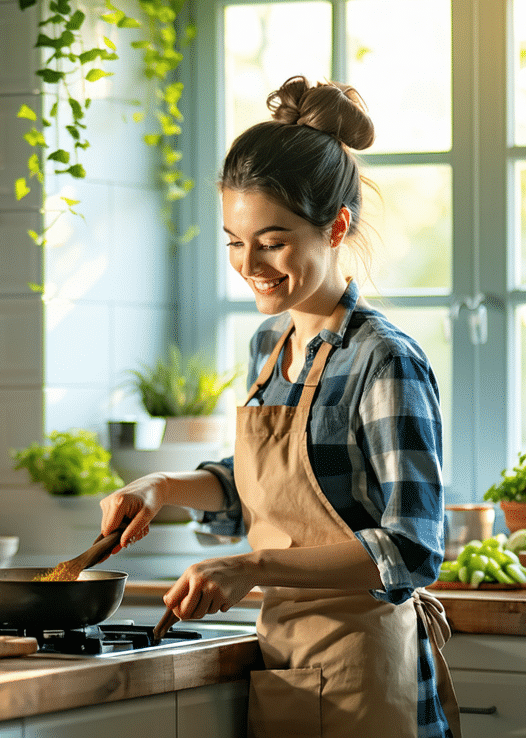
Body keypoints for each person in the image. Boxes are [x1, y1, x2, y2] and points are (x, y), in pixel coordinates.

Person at [99, 76, 460, 738]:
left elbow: (412, 547)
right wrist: (160, 487)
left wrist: (254, 567)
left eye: (272, 239)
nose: (249, 262)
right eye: (236, 240)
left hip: (368, 668)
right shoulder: (269, 343)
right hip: (288, 660)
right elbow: (253, 492)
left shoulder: (384, 359)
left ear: (336, 227)